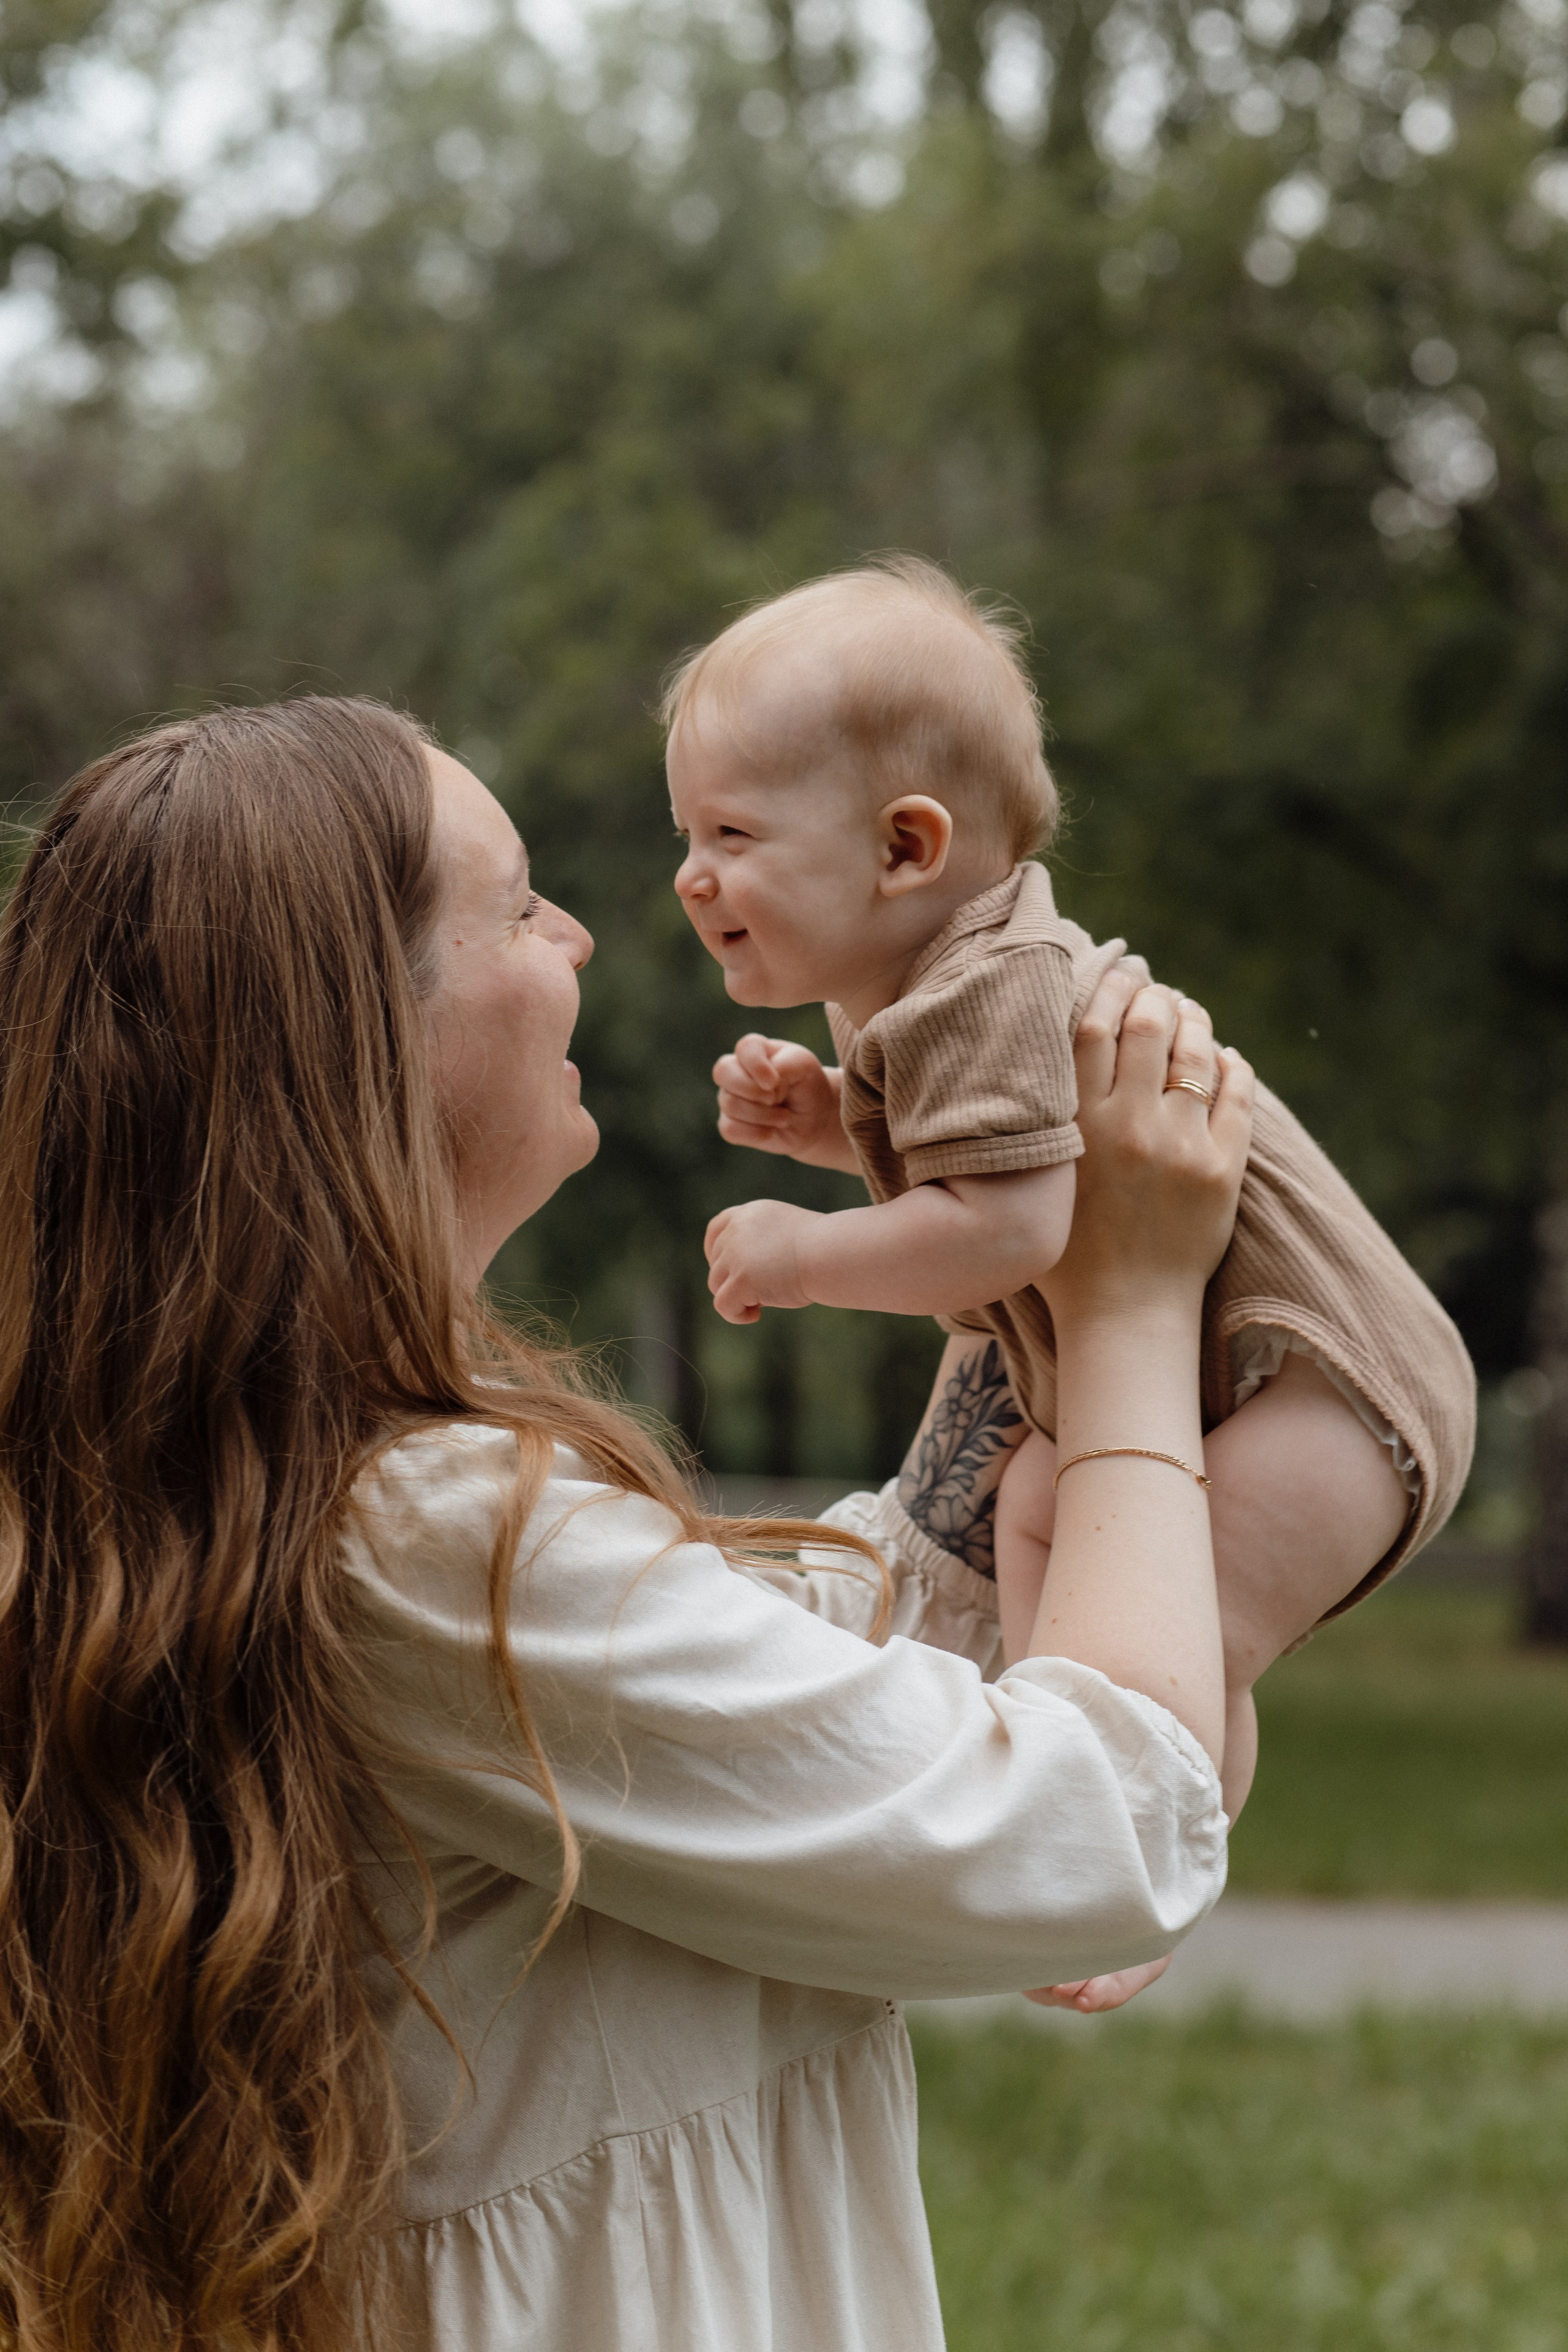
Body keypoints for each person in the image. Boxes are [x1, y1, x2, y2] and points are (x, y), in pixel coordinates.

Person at [0, 693, 1245, 2352]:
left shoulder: (286, 1491)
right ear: (364, 1029)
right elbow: (1106, 1829)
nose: (583, 933)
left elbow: (804, 1664)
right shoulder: (427, 1537)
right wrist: (1139, 1307)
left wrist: (999, 1245)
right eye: (517, 904)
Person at [666, 554, 1476, 1851]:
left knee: (1187, 1624)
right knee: (1053, 1520)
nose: (691, 878)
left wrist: (806, 1252)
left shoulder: (985, 987)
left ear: (902, 848)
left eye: (731, 836)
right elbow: (996, 1164)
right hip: (1254, 1378)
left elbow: (1008, 1228)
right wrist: (832, 1120)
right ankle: (1110, 1821)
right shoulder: (920, 993)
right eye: (688, 839)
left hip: (1333, 1386)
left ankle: (1134, 1859)